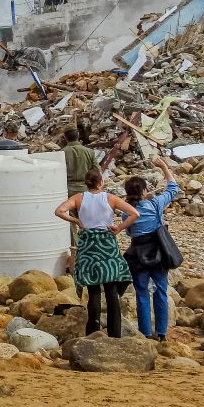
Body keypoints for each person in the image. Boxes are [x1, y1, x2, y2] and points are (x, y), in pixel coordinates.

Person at [55, 169, 138, 338]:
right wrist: (119, 228)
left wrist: (76, 220)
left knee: (93, 290)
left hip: (88, 245)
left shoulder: (79, 198)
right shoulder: (110, 198)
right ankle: (115, 334)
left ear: (87, 183)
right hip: (107, 243)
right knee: (111, 289)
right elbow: (135, 213)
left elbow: (59, 211)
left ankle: (92, 332)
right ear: (100, 182)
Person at [123, 157, 180, 341]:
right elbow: (173, 188)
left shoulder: (126, 211)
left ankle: (145, 333)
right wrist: (164, 166)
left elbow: (129, 232)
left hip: (137, 254)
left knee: (141, 293)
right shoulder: (155, 204)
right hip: (158, 252)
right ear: (145, 191)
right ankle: (162, 333)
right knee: (160, 290)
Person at [62, 126, 94, 254]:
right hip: (85, 190)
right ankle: (89, 247)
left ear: (65, 138)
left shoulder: (62, 153)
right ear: (78, 135)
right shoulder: (89, 152)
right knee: (88, 220)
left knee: (71, 222)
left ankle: (76, 249)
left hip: (68, 190)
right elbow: (96, 171)